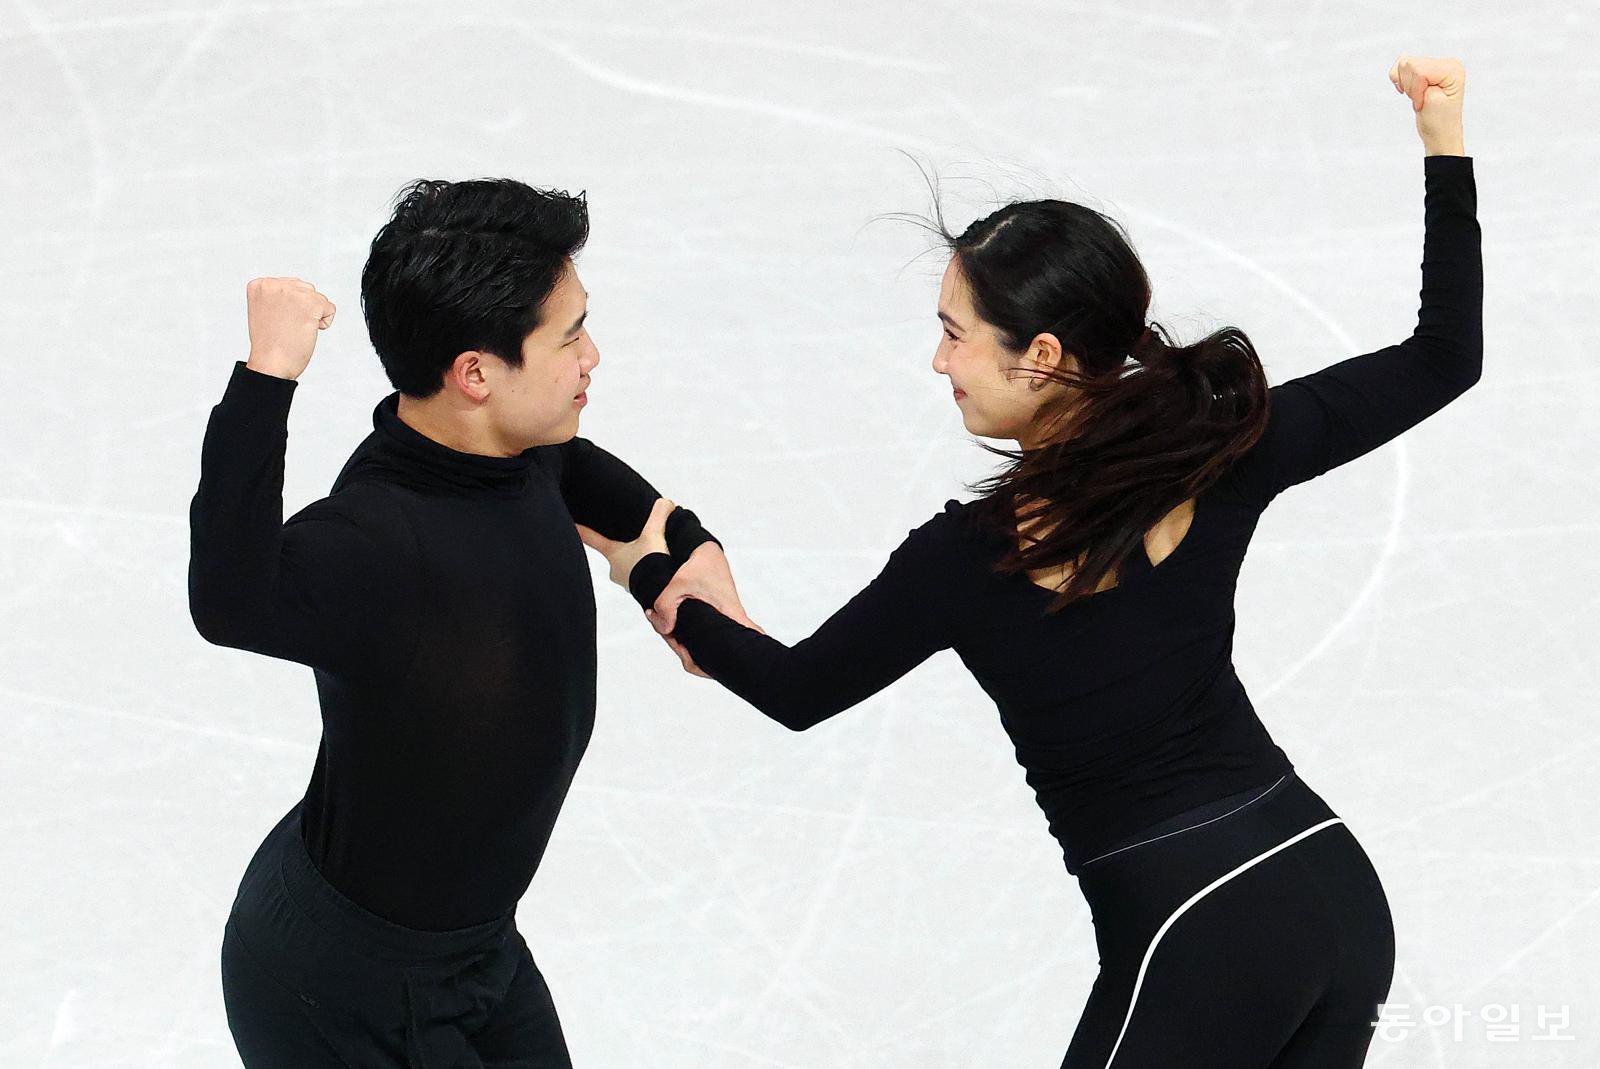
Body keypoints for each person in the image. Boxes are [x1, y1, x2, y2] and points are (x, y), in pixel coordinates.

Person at [585, 55, 1478, 1067]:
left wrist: (654, 578)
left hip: (1202, 932)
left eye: (954, 333)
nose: (939, 362)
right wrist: (1441, 137)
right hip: (1331, 892)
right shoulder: (1223, 446)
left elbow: (793, 689)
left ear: (1041, 354)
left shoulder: (971, 558)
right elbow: (1447, 355)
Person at [188, 180, 753, 1066]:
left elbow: (579, 470)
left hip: (478, 952)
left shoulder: (513, 452)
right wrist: (268, 377)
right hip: (340, 989)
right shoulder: (379, 535)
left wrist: (680, 541)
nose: (591, 356)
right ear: (477, 372)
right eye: (569, 337)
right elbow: (229, 598)